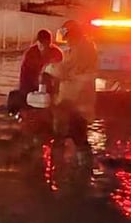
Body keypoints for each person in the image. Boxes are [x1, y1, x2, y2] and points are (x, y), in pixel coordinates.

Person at [48, 20, 98, 159]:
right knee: (77, 132)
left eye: (67, 36)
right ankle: (81, 160)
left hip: (77, 97)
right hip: (77, 97)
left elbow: (67, 69)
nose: (66, 40)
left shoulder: (81, 49)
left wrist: (51, 69)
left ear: (72, 34)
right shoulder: (82, 46)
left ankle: (78, 162)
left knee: (75, 131)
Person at [8, 29, 63, 114]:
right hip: (30, 85)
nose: (43, 47)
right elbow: (25, 76)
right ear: (37, 42)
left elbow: (59, 74)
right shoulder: (31, 54)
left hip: (50, 86)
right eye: (41, 44)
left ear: (50, 43)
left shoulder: (57, 53)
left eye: (46, 44)